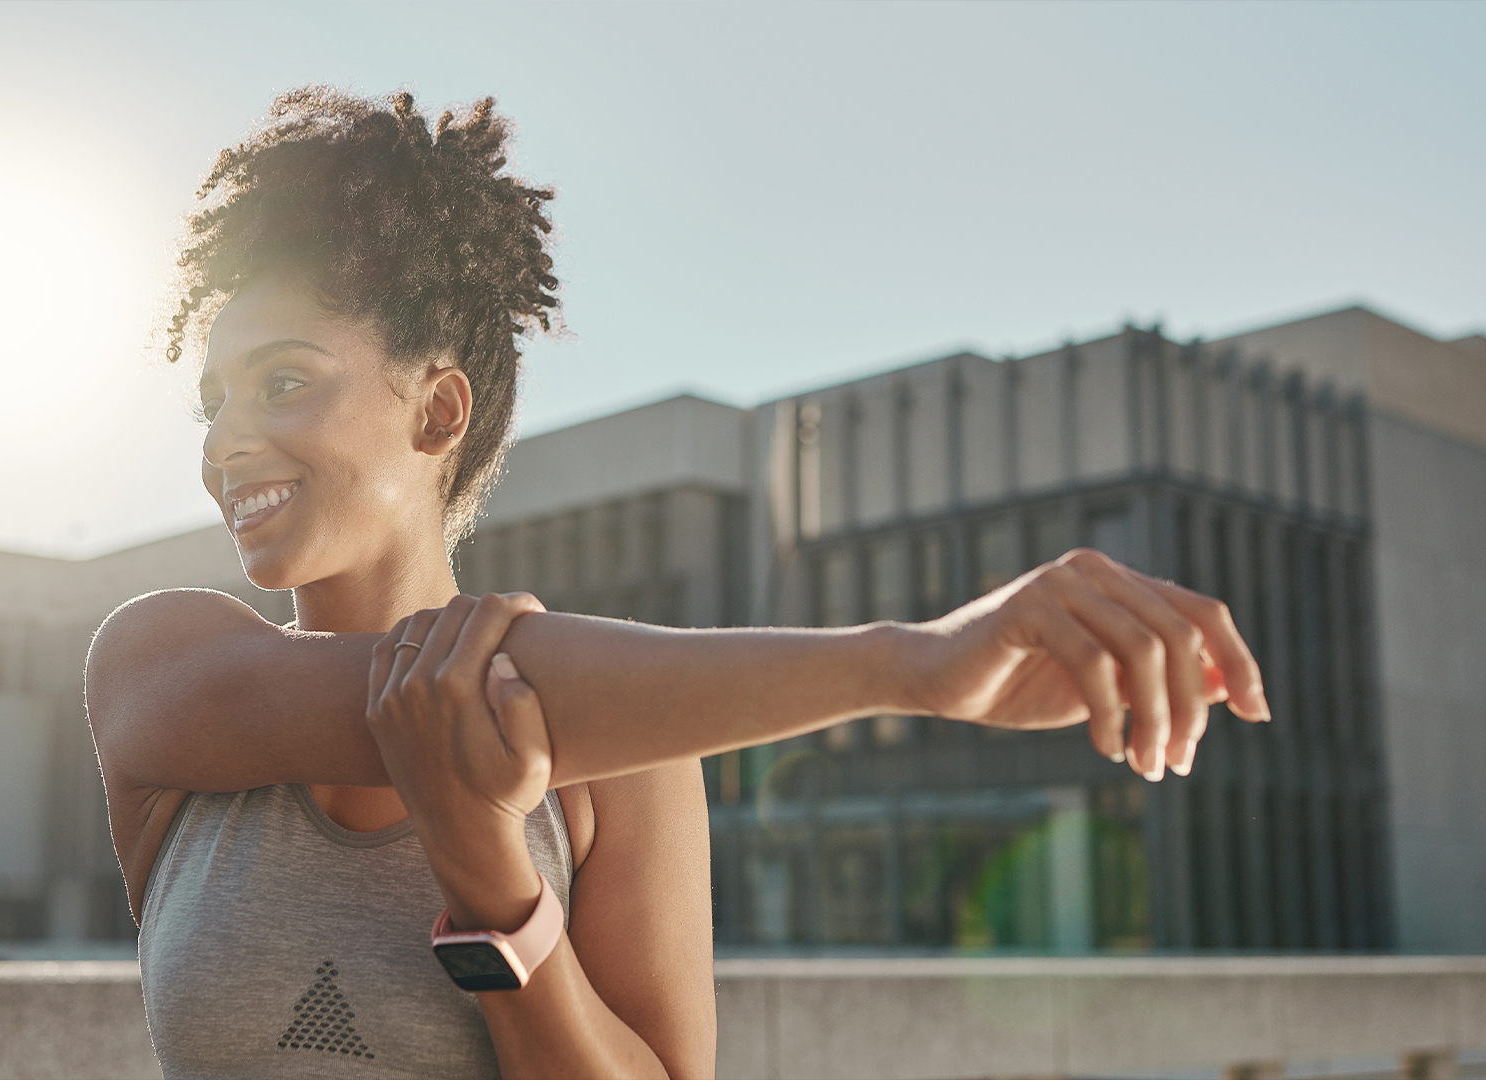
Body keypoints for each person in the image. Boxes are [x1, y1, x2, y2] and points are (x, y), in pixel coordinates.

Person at [85, 87, 1269, 1080]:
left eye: (282, 381)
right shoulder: (162, 665)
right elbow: (439, 692)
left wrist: (496, 885)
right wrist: (912, 663)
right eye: (214, 399)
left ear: (438, 409)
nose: (225, 440)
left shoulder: (636, 750)